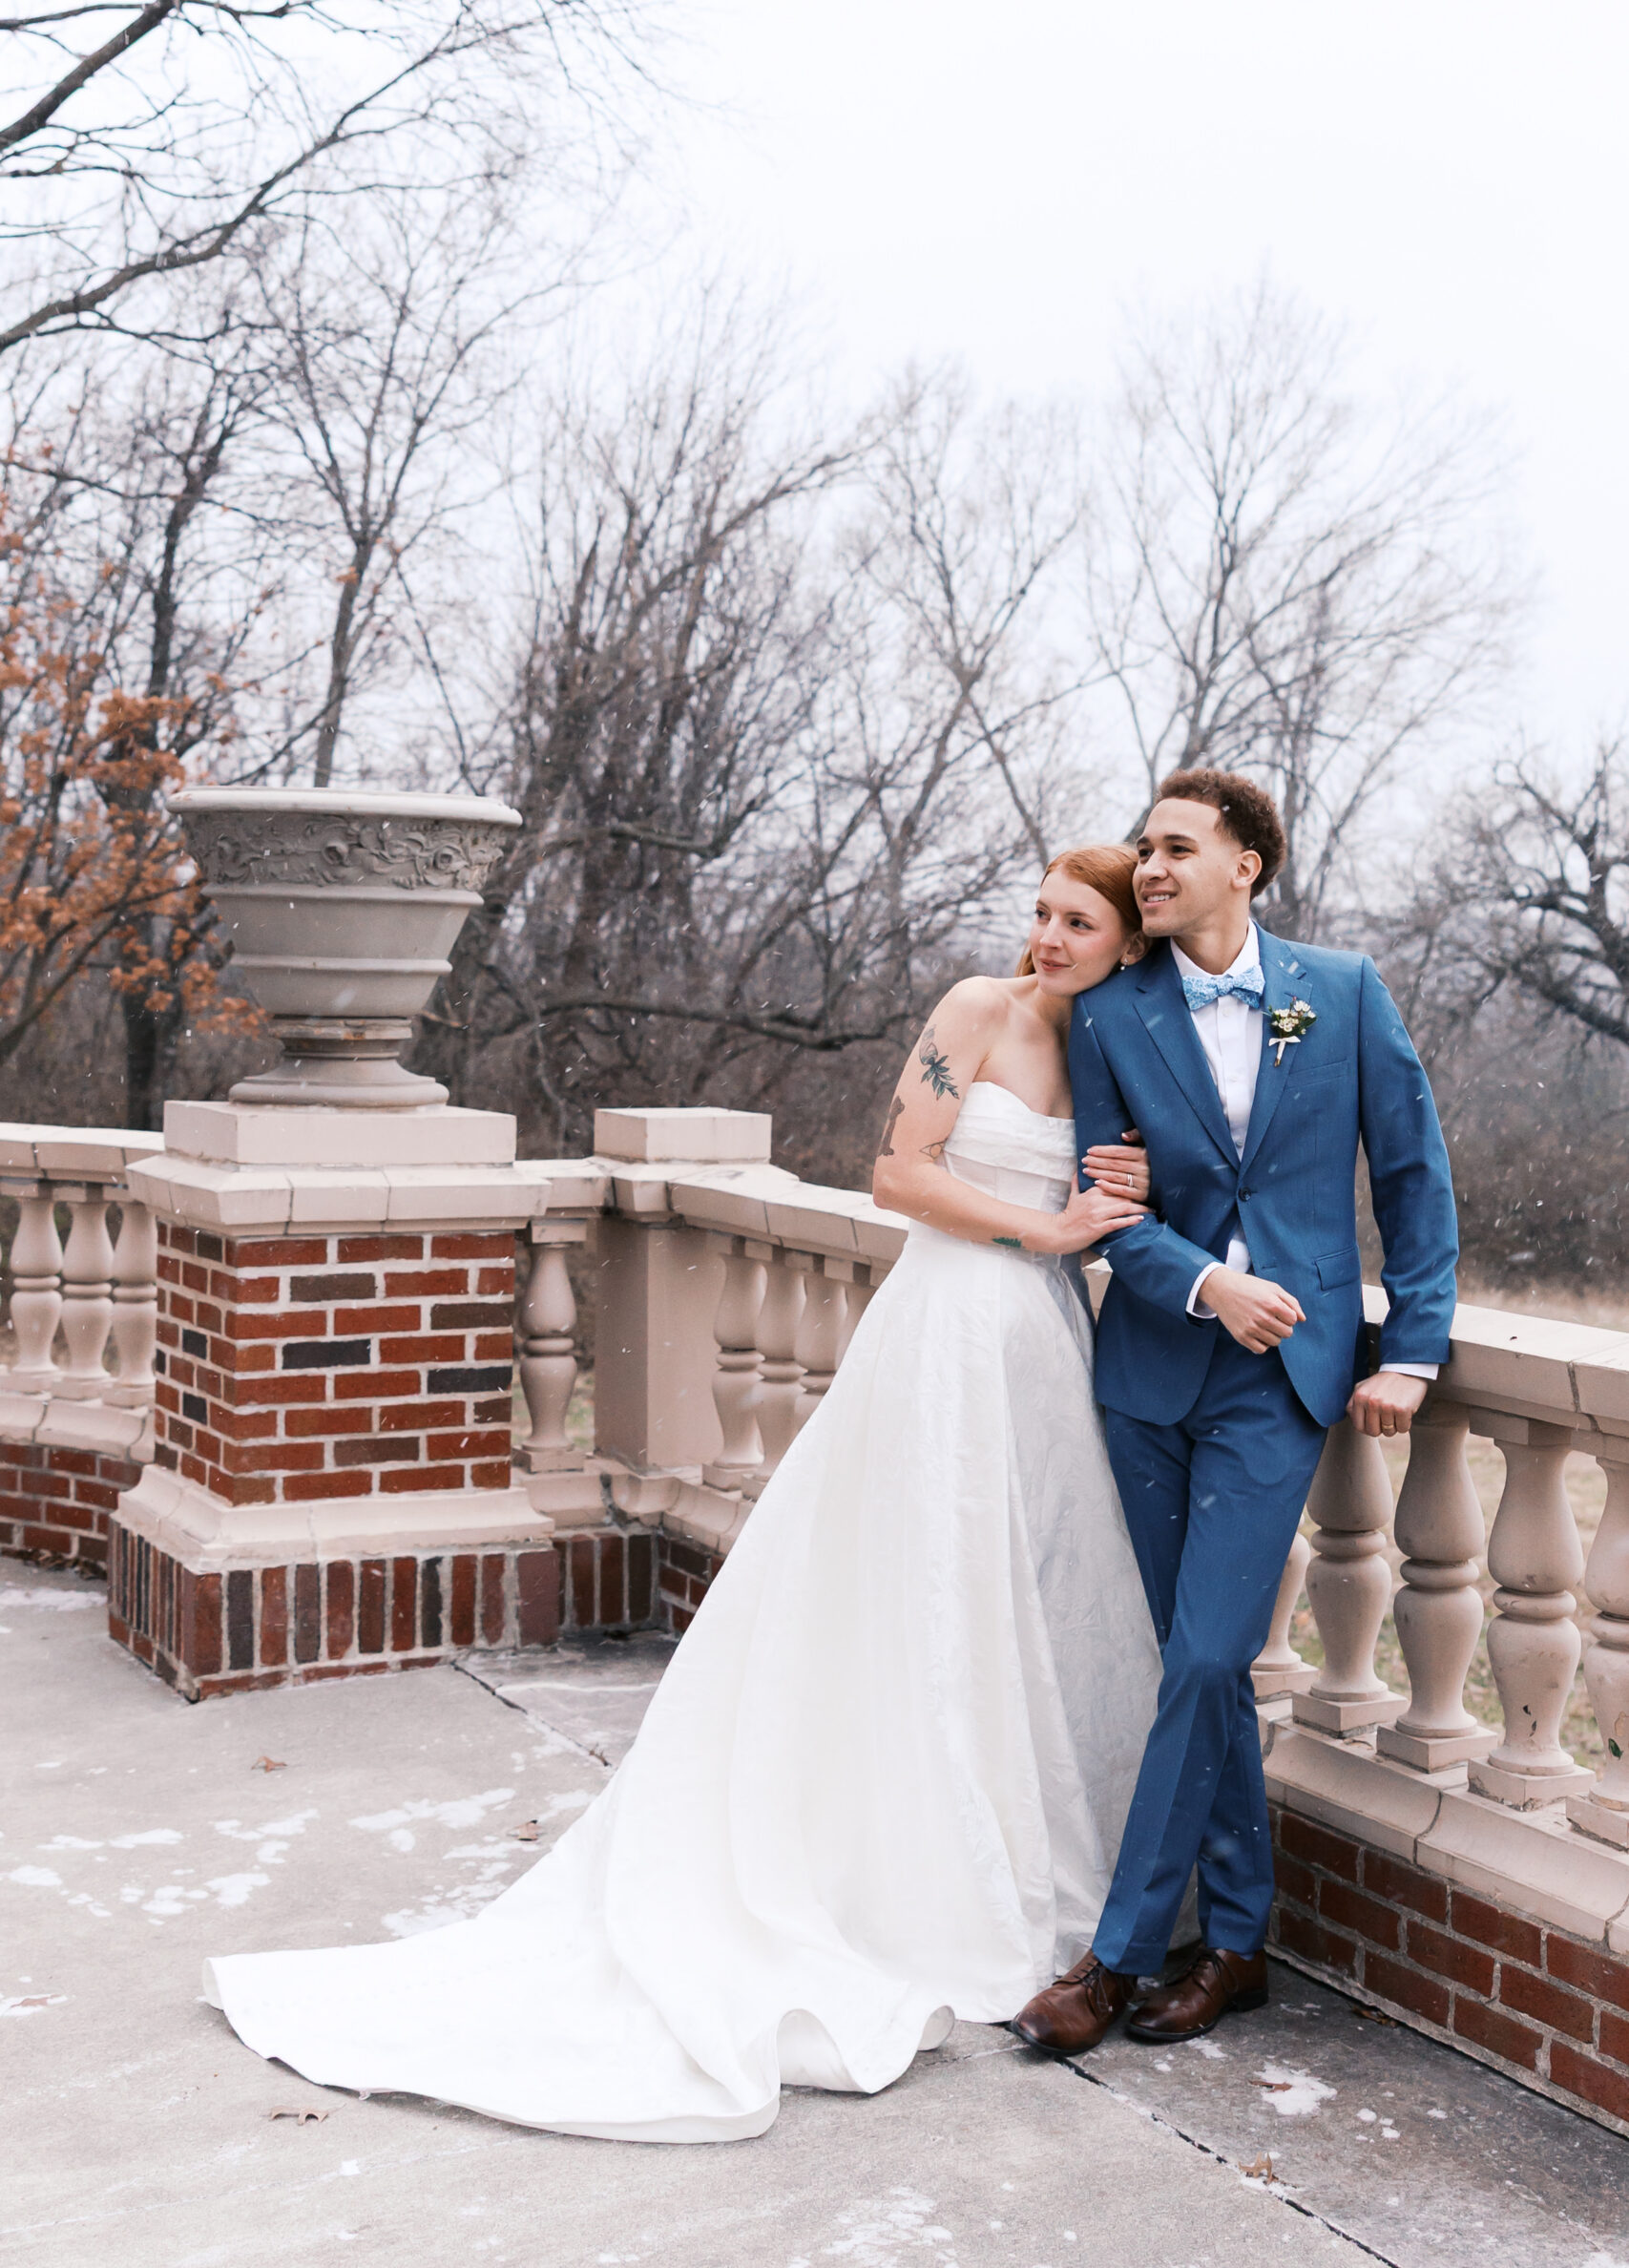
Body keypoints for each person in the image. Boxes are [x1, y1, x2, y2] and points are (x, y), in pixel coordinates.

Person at [205, 845, 1163, 2143]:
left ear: (1125, 944)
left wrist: (1120, 1200)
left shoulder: (1118, 1045)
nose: (1048, 937)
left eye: (1079, 922)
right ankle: (903, 1870)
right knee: (919, 1585)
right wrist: (1039, 1229)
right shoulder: (974, 1013)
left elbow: (1133, 1179)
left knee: (1022, 1598)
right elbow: (899, 1175)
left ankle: (1024, 1856)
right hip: (945, 1327)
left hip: (1046, 1352)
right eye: (1043, 913)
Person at [1013, 769, 1457, 2060]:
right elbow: (1112, 1211)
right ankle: (1245, 1945)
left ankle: (1115, 1962)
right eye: (1144, 850)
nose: (1150, 868)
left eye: (1176, 848)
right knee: (1186, 1667)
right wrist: (1206, 1281)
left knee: (1210, 1659)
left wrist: (1411, 1353)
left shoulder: (1342, 992)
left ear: (1246, 864)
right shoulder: (1113, 1011)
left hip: (1285, 1385)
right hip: (1149, 1373)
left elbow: (1416, 1182)